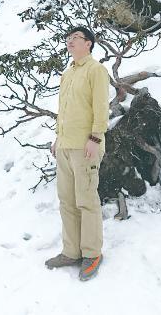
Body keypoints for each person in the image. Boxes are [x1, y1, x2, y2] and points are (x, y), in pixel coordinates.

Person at [45, 26, 110, 281]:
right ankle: (71, 252)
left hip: (86, 145)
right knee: (67, 201)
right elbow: (65, 111)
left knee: (86, 200)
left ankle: (92, 254)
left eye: (76, 39)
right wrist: (58, 138)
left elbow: (101, 107)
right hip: (65, 146)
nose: (70, 42)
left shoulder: (96, 70)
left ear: (89, 44)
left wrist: (95, 137)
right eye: (68, 38)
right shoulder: (68, 73)